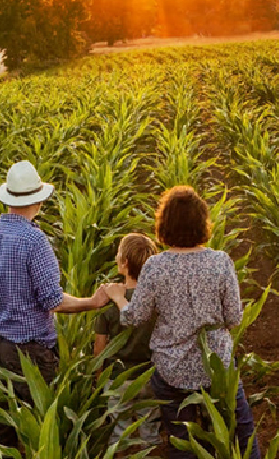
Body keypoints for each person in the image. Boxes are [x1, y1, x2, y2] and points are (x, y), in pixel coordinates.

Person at [103, 186, 261, 459]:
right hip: (217, 368)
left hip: (171, 370)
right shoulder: (220, 262)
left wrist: (119, 298)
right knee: (241, 430)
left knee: (181, 439)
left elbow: (134, 317)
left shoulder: (155, 267)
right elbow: (234, 317)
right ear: (202, 222)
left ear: (164, 225)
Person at [0, 160, 111, 400]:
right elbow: (53, 301)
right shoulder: (34, 242)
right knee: (32, 424)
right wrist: (92, 302)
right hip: (30, 353)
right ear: (38, 201)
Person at [93, 233, 161, 446]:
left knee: (119, 430)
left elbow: (100, 349)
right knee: (150, 425)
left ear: (123, 263)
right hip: (150, 375)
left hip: (118, 378)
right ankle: (149, 450)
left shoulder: (109, 303)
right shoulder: (157, 299)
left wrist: (98, 377)